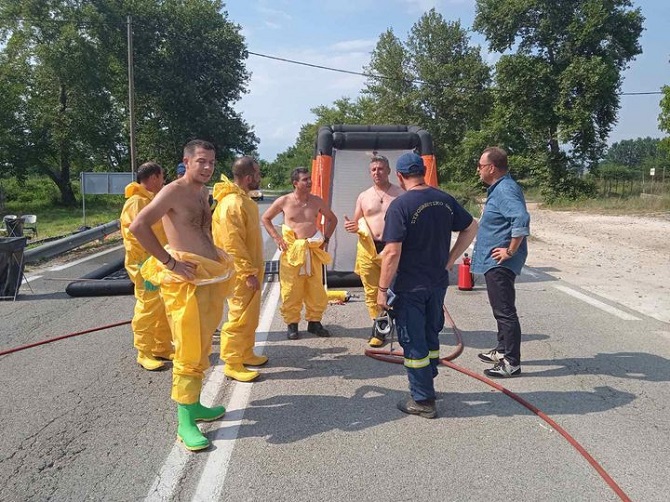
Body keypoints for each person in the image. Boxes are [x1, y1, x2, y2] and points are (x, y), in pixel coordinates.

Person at [129, 139, 235, 451]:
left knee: (202, 346)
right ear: (186, 161)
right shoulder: (173, 190)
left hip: (207, 277)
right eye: (201, 161)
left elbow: (201, 231)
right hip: (184, 283)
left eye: (211, 163)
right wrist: (169, 262)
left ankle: (196, 405)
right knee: (188, 349)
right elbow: (139, 226)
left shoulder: (203, 192)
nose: (207, 167)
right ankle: (184, 423)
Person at [377, 153, 478, 419]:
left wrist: (381, 290)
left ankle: (422, 400)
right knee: (431, 333)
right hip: (437, 282)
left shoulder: (400, 205)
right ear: (424, 171)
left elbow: (391, 252)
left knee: (413, 341)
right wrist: (450, 259)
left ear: (399, 176)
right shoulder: (444, 200)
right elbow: (471, 227)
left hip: (410, 286)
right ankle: (428, 380)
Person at [471, 146, 530, 378]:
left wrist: (510, 250)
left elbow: (521, 218)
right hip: (493, 260)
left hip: (500, 262)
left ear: (491, 168)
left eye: (480, 165)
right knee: (499, 309)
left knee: (505, 311)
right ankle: (502, 349)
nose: (478, 170)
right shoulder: (499, 188)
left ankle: (512, 362)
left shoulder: (505, 189)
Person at [261, 167, 338, 340]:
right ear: (295, 183)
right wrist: (277, 238)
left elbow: (333, 219)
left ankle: (314, 322)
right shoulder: (284, 201)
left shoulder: (317, 201)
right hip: (291, 252)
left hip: (312, 250)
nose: (309, 182)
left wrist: (325, 239)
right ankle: (292, 324)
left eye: (309, 179)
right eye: (305, 179)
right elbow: (265, 218)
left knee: (316, 288)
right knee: (291, 289)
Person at [211, 156, 266, 382]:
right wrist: (247, 273)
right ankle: (232, 362)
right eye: (258, 173)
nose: (260, 178)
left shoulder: (243, 200)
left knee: (249, 313)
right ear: (249, 177)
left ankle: (245, 352)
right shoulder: (232, 203)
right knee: (238, 314)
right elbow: (232, 243)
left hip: (249, 268)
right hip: (240, 272)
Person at [344, 154, 403, 347]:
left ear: (388, 171)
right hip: (368, 249)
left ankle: (393, 323)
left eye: (380, 169)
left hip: (392, 246)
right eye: (373, 170)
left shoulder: (400, 194)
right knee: (371, 291)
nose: (377, 172)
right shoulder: (364, 196)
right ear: (370, 173)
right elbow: (357, 220)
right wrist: (352, 227)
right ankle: (379, 327)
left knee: (391, 289)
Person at [120, 161, 173, 371]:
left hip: (156, 262)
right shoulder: (136, 202)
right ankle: (144, 351)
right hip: (145, 264)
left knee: (161, 305)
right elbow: (135, 235)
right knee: (148, 306)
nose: (163, 181)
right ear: (153, 178)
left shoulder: (148, 200)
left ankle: (161, 346)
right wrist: (147, 261)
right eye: (161, 177)